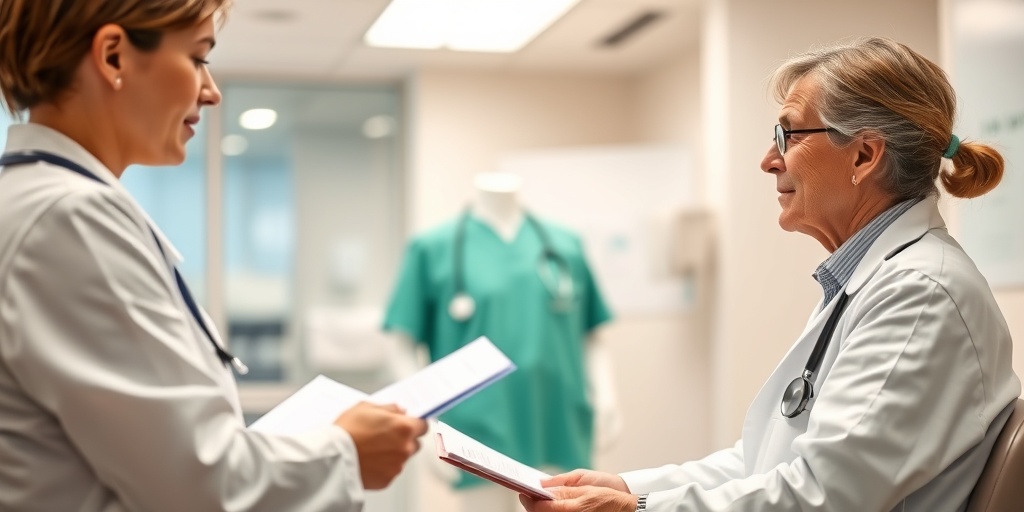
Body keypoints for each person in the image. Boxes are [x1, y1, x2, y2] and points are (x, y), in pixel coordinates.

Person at [519, 37, 1021, 512]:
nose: (768, 160)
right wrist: (630, 487)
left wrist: (640, 507)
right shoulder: (873, 281)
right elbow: (767, 460)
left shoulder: (919, 294)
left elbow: (823, 494)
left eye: (788, 134)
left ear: (864, 155)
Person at [0, 1, 426, 511]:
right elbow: (199, 486)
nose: (212, 90)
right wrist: (345, 451)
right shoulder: (69, 220)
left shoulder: (42, 204)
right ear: (113, 56)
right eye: (199, 58)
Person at [384, 171, 617, 512]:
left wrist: (607, 394)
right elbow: (399, 341)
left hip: (556, 414)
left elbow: (592, 333)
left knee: (563, 504)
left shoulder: (565, 244)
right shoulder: (432, 247)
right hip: (478, 422)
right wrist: (423, 421)